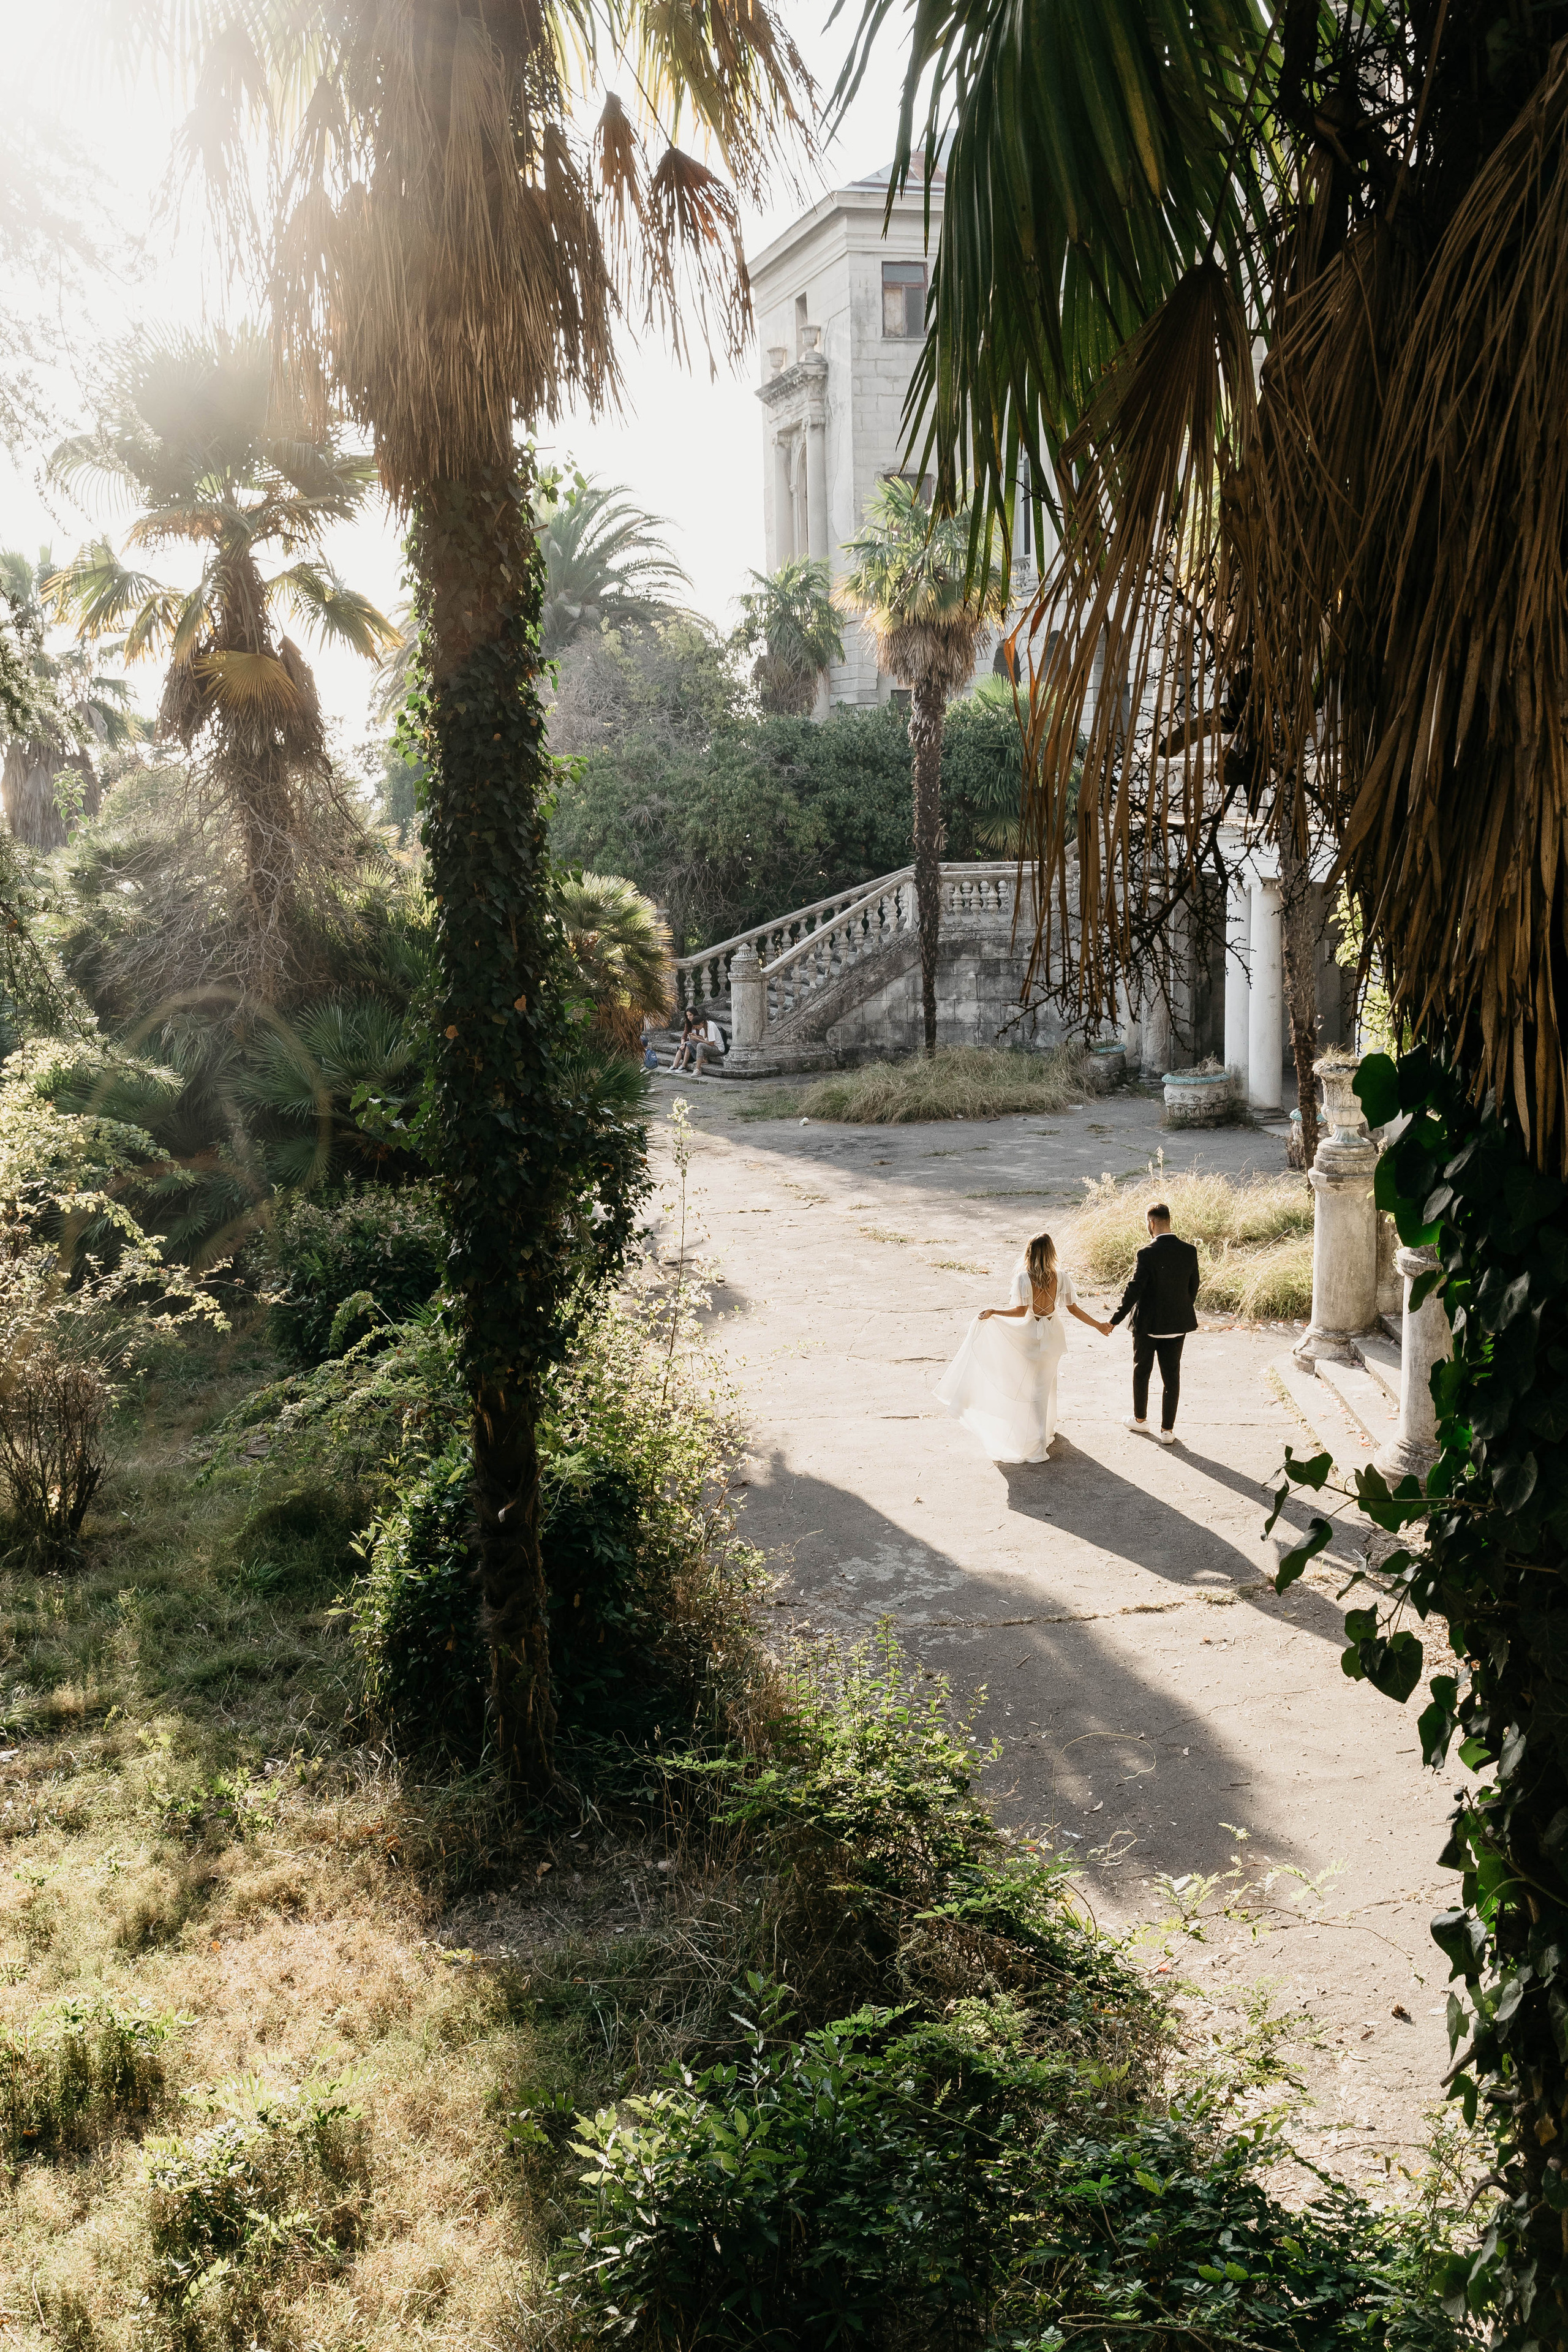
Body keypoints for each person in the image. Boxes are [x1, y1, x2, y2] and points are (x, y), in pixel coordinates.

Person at [934, 1231, 1110, 1463]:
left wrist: (994, 1312)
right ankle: (1045, 1430)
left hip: (1030, 1335)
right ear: (1051, 1253)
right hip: (1054, 1335)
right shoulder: (1062, 1277)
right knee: (1047, 1385)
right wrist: (1099, 1325)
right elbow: (1073, 1309)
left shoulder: (1023, 1279)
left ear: (1029, 1252)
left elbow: (1020, 1312)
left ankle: (1037, 1444)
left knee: (1032, 1387)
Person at [1109, 1200, 1200, 1445]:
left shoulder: (1146, 1253)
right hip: (1178, 1325)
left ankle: (1140, 1421)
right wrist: (1178, 1310)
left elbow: (1134, 1290)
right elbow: (1193, 1288)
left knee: (1142, 1371)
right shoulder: (1189, 1251)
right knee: (1172, 1376)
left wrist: (1115, 1320)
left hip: (1148, 1326)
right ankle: (1167, 1431)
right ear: (1169, 1221)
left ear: (1151, 1223)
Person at [692, 1012, 728, 1077]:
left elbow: (711, 1043)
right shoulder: (702, 1028)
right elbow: (703, 1038)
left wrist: (698, 1039)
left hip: (718, 1049)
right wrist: (695, 1037)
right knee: (691, 1039)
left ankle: (698, 1069)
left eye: (697, 1026)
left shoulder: (711, 1026)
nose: (696, 1028)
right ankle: (704, 1060)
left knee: (700, 1045)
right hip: (710, 1047)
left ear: (701, 1024)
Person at [669, 1007, 703, 1072]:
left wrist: (689, 1041)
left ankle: (684, 1066)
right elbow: (684, 1036)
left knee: (688, 1044)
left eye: (690, 1015)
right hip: (691, 1044)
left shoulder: (700, 1023)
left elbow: (703, 1038)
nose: (689, 1017)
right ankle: (675, 1065)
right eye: (687, 1016)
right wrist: (683, 1044)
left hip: (698, 1046)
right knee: (682, 1046)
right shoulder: (688, 1024)